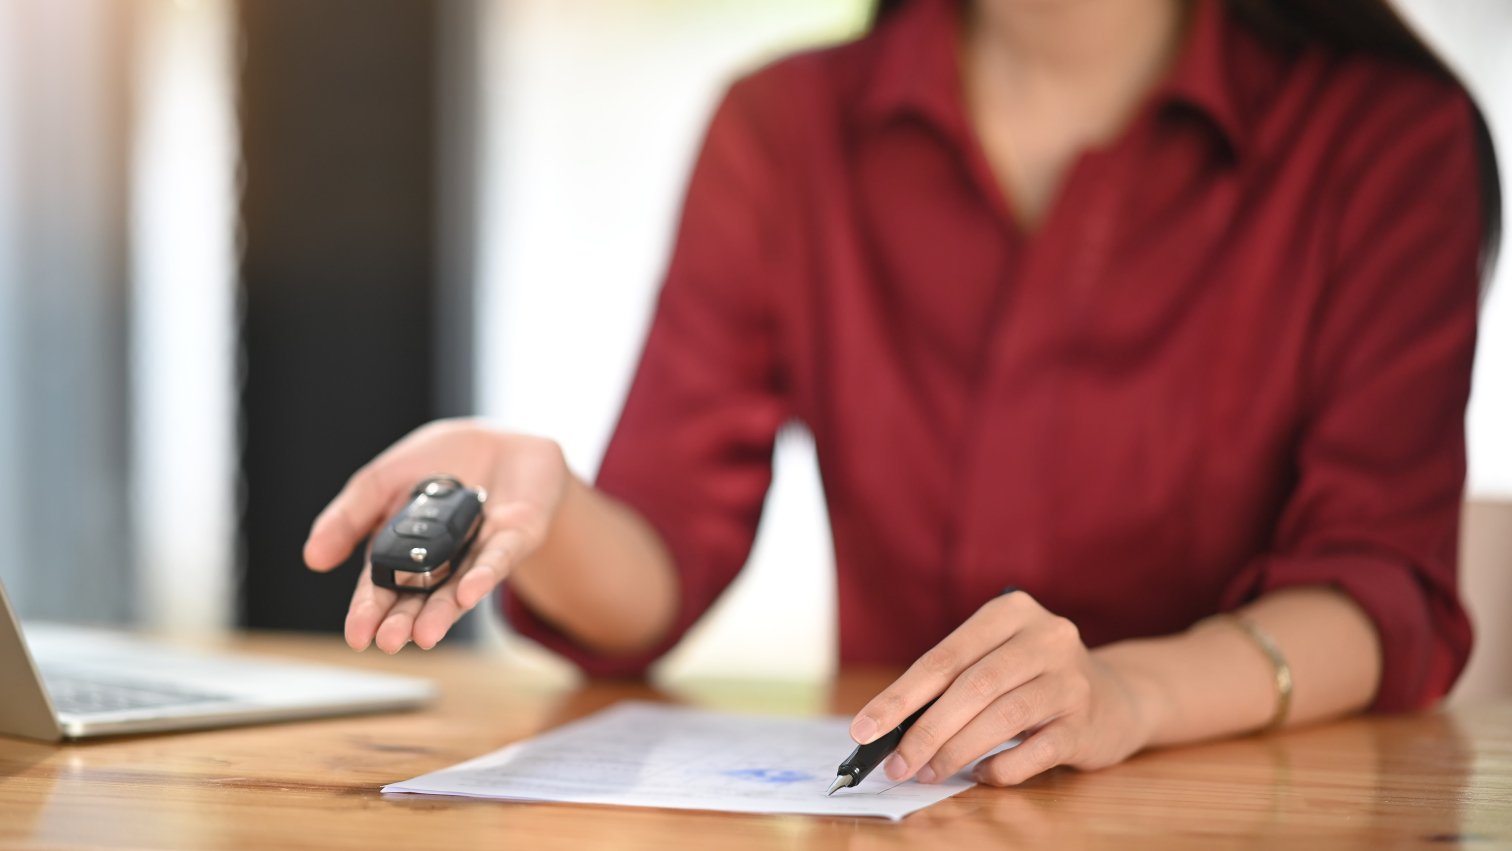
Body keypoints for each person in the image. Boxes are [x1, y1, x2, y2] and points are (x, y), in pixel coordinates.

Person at [303, 0, 1500, 787]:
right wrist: (551, 508)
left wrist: (1130, 691)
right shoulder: (784, 127)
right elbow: (661, 565)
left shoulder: (1392, 141)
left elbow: (1379, 581)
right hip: (913, 811)